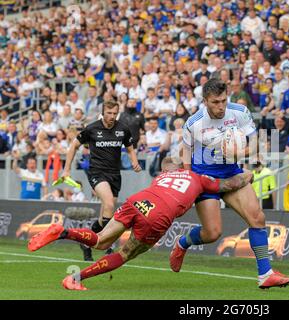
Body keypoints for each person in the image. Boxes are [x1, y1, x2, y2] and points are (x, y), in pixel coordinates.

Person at [27, 158, 276, 291]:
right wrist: (248, 175)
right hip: (157, 215)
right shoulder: (198, 178)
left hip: (139, 201)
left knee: (102, 239)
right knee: (124, 254)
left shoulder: (162, 176)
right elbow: (228, 186)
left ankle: (64, 232)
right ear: (183, 167)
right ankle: (76, 278)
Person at [176, 78, 289, 288]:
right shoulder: (194, 123)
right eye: (215, 102)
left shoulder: (239, 112)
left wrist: (239, 152)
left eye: (223, 100)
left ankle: (265, 274)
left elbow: (256, 143)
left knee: (257, 218)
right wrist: (188, 181)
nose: (220, 106)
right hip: (205, 179)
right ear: (205, 101)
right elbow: (185, 153)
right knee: (212, 233)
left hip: (232, 174)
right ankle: (183, 242)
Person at [62, 100, 142, 261]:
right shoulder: (92, 128)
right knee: (110, 205)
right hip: (97, 172)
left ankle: (86, 243)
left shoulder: (122, 129)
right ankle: (109, 246)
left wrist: (134, 160)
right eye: (109, 113)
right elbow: (73, 146)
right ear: (103, 112)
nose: (112, 116)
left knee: (106, 215)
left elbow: (130, 146)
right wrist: (66, 169)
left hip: (115, 175)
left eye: (114, 113)